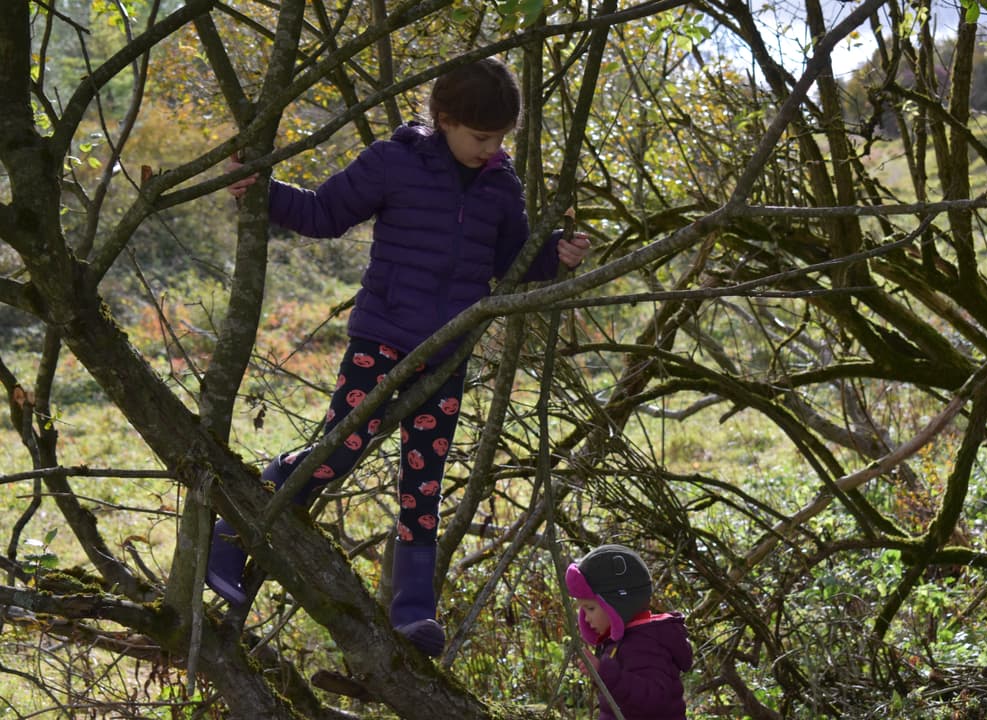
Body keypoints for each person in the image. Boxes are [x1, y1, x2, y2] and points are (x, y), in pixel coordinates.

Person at [207, 57, 590, 658]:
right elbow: (322, 214)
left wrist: (557, 255)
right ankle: (231, 530)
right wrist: (260, 188)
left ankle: (413, 613)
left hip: (447, 353)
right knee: (337, 452)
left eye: (500, 140)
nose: (490, 150)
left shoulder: (500, 184)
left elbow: (513, 263)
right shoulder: (394, 162)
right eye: (480, 137)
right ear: (444, 120)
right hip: (382, 338)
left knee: (424, 482)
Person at [565, 544, 693, 720]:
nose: (586, 619)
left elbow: (654, 701)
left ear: (618, 605)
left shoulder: (645, 644)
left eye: (590, 608)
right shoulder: (624, 640)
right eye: (583, 611)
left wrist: (605, 671)